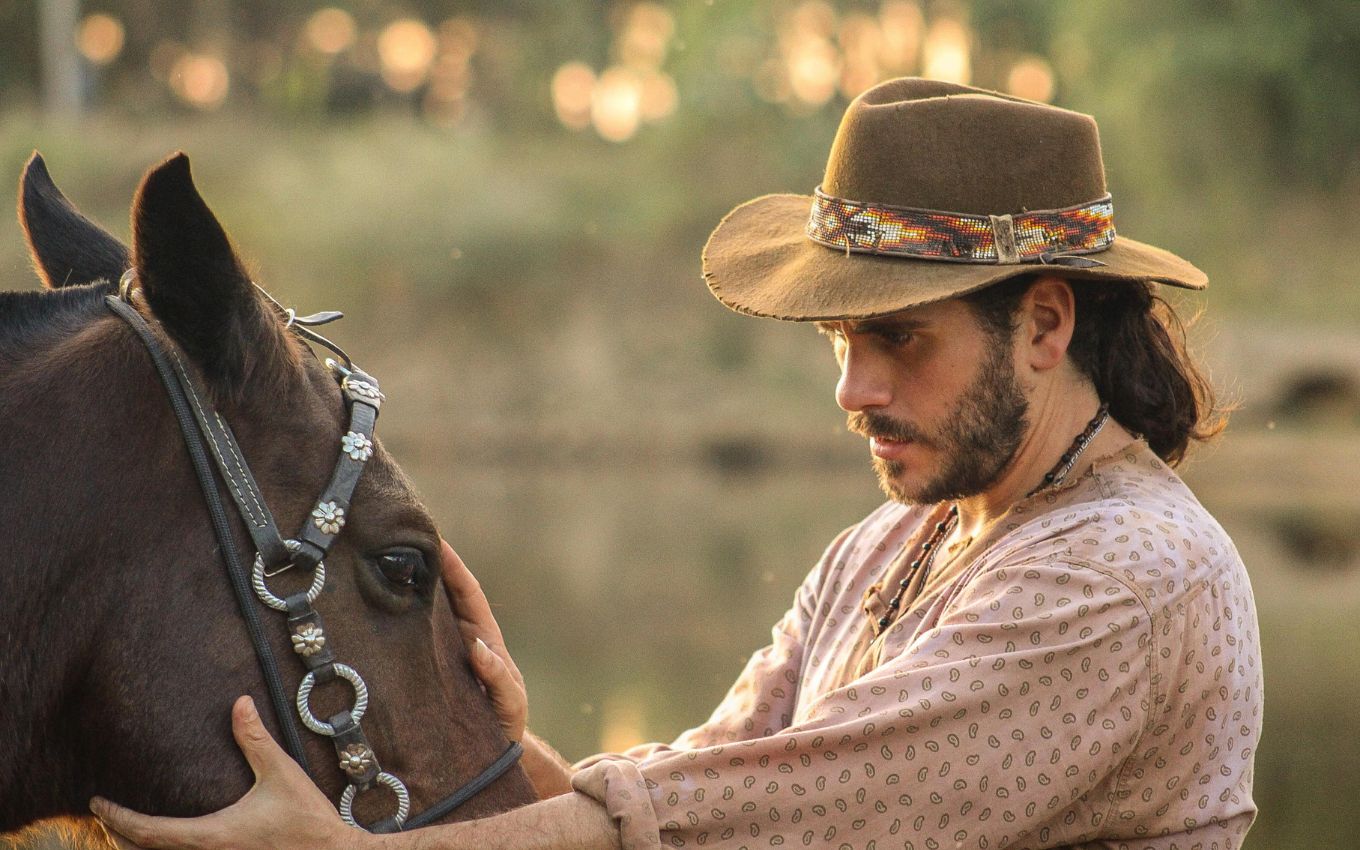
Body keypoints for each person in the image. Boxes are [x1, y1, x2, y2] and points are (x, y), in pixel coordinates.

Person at [93, 78, 1262, 850]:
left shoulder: (1132, 573)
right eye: (841, 344)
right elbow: (698, 806)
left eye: (899, 340)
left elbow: (796, 815)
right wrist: (521, 751)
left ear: (1046, 327)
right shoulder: (887, 542)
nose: (853, 392)